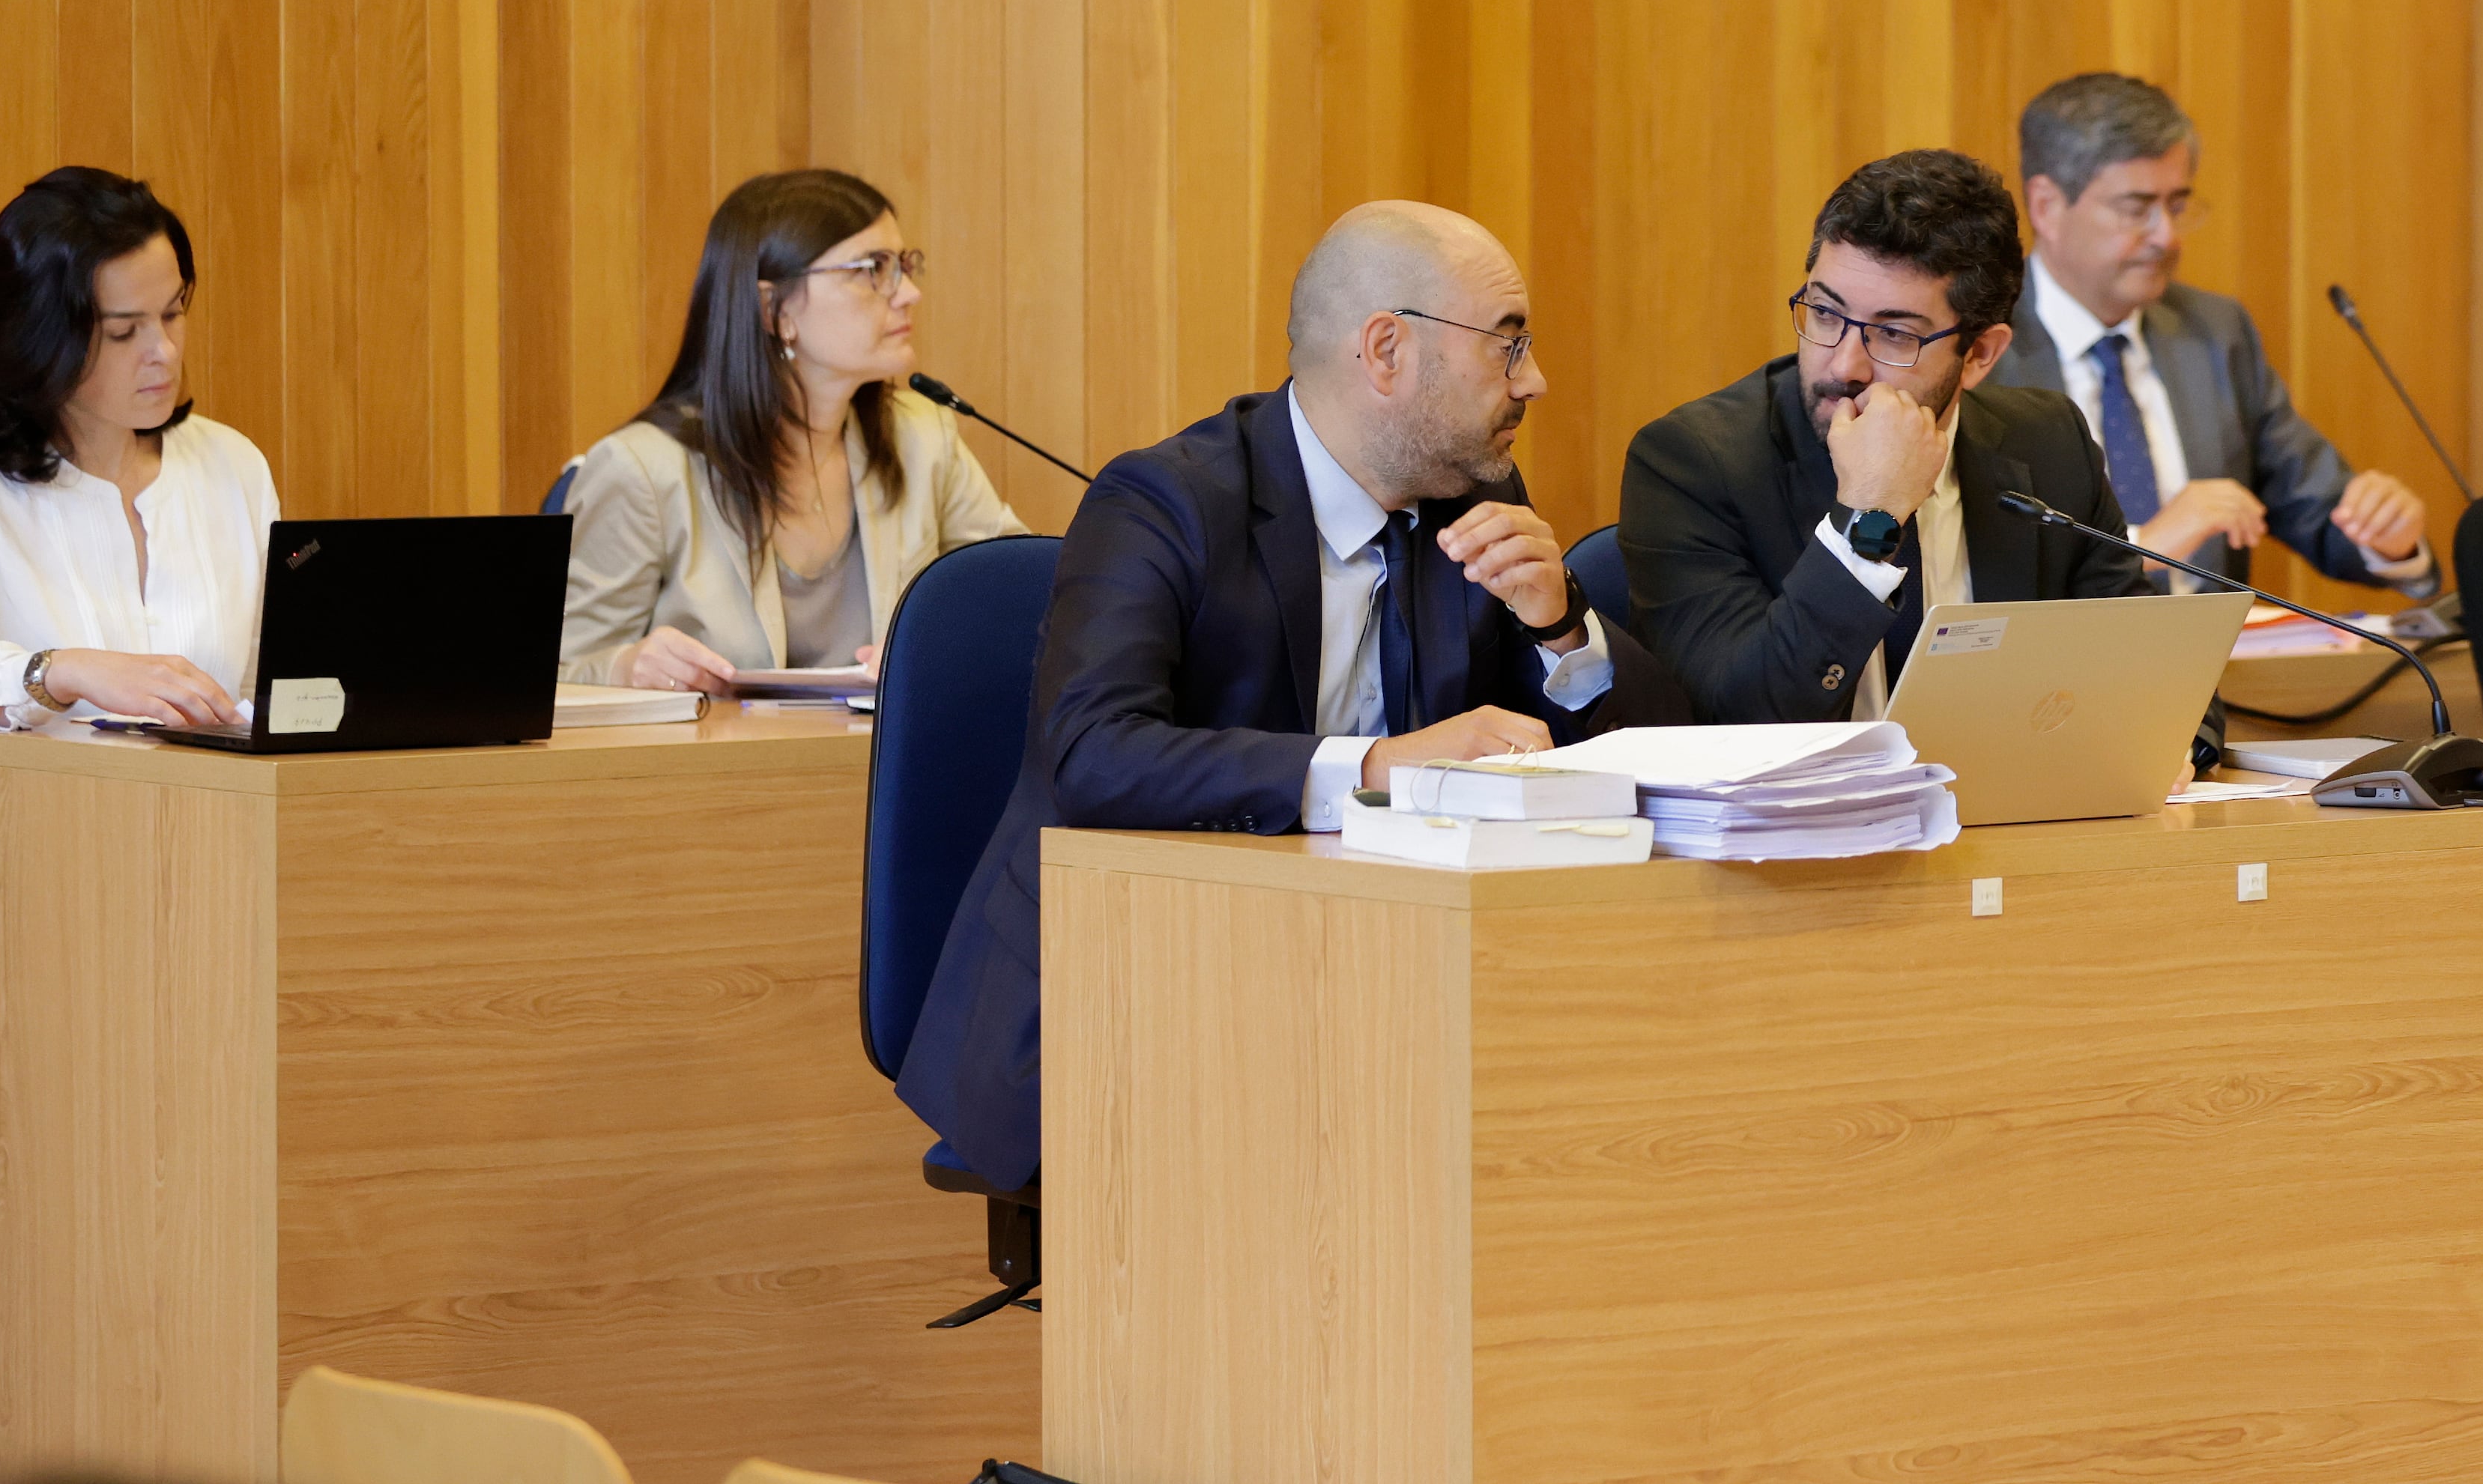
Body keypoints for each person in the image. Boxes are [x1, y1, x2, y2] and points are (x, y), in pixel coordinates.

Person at [897, 201, 1630, 1195]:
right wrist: (1375, 767)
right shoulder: (1163, 501)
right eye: (1509, 344)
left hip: (1382, 992)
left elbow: (1626, 763)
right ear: (1387, 348)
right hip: (1140, 1003)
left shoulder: (1472, 505)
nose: (1534, 379)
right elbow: (1094, 753)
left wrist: (1559, 627)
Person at [1619, 148, 2186, 753]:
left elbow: (2154, 673)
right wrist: (1867, 519)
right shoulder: (1692, 463)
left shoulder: (2048, 444)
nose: (1843, 364)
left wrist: (2176, 744)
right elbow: (1745, 720)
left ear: (1980, 355)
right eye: (1826, 312)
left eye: (1894, 334)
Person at [560, 170, 1026, 691]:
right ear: (774, 310)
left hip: (883, 769)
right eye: (874, 268)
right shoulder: (643, 470)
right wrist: (625, 667)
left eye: (904, 265)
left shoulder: (923, 438)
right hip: (720, 769)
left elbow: (1023, 602)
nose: (909, 293)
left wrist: (942, 648)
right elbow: (558, 675)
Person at [1997, 72, 2439, 599]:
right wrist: (2146, 544)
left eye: (2177, 205)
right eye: (2136, 208)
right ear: (2046, 205)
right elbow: (1980, 569)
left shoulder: (2214, 333)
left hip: (2217, 675)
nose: (2165, 235)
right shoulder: (1983, 351)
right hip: (2051, 674)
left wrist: (2385, 536)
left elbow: (2318, 508)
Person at [0, 167, 273, 734]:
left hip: (213, 817)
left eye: (172, 313)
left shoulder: (233, 464)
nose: (163, 351)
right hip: (26, 819)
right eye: (123, 332)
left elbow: (263, 697)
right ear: (41, 337)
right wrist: (65, 672)